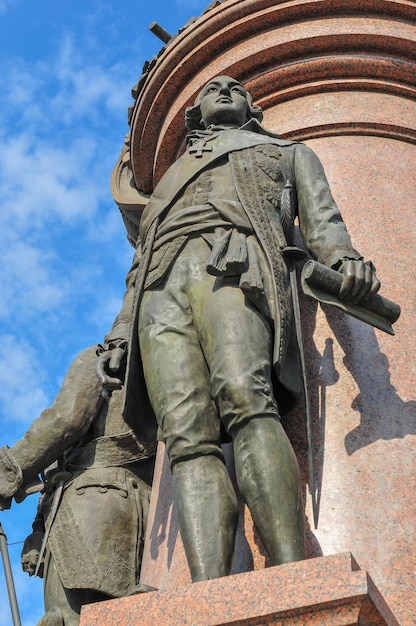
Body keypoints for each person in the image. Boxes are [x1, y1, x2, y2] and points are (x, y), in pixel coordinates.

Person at [97, 76, 380, 582]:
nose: (224, 89)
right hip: (160, 292)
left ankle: (292, 567)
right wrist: (121, 332)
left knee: (247, 400)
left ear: (253, 106)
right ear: (196, 114)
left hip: (234, 266)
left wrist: (345, 259)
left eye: (234, 87)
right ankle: (207, 591)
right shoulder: (170, 179)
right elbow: (138, 268)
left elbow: (323, 220)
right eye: (212, 89)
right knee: (184, 435)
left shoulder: (287, 153)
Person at [0, 345, 155, 626]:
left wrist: (3, 474)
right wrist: (38, 530)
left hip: (91, 511)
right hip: (139, 511)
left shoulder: (103, 357)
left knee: (68, 620)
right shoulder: (159, 358)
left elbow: (63, 422)